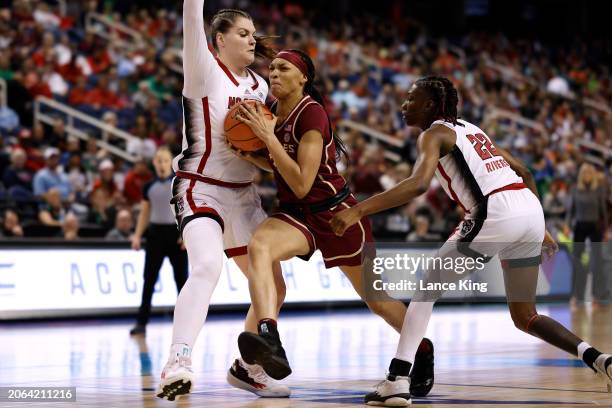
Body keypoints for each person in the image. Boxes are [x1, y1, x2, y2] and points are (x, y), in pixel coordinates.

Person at [331, 76, 612, 406]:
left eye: (411, 99)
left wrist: (357, 211)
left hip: (495, 210)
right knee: (526, 317)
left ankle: (397, 379)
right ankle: (600, 360)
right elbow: (524, 172)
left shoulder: (433, 134)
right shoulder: (472, 129)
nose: (404, 105)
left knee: (426, 288)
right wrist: (541, 225)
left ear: (431, 106)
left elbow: (417, 185)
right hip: (528, 209)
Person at [232, 49, 434, 396]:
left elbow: (301, 182)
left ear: (303, 78)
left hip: (337, 214)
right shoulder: (272, 111)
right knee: (260, 246)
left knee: (378, 301)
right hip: (297, 215)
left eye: (283, 68)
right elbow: (284, 169)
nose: (274, 74)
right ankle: (269, 336)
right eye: (272, 69)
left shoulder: (312, 114)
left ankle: (423, 349)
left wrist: (266, 140)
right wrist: (251, 155)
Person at [156, 0, 287, 400]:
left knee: (274, 287)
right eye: (242, 34)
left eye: (252, 34)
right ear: (219, 40)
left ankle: (247, 368)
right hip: (201, 186)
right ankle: (177, 361)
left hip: (244, 195)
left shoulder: (260, 86)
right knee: (208, 265)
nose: (251, 40)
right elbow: (191, 16)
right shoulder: (204, 70)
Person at [130, 148, 188, 336]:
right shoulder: (148, 187)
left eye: (165, 161)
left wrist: (186, 234)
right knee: (149, 280)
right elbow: (145, 212)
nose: (162, 164)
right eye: (159, 161)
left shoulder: (179, 183)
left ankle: (186, 324)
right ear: (154, 163)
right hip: (155, 235)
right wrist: (138, 235)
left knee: (182, 281)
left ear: (170, 162)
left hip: (176, 235)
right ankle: (141, 322)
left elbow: (186, 211)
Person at [567, 163, 608, 308]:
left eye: (590, 173)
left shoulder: (599, 190)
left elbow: (603, 211)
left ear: (593, 175)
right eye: (585, 173)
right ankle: (576, 296)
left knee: (597, 261)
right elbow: (570, 210)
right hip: (579, 227)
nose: (587, 176)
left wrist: (606, 230)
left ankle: (598, 296)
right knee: (577, 262)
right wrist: (567, 225)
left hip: (595, 226)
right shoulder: (575, 190)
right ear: (581, 175)